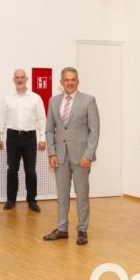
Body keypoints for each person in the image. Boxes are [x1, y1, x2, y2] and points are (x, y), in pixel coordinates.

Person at [43, 67, 99, 245]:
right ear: (61, 82)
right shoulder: (53, 101)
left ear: (78, 81)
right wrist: (51, 153)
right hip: (60, 156)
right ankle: (62, 228)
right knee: (62, 195)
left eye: (73, 79)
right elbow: (50, 130)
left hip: (81, 157)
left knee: (82, 195)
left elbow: (94, 131)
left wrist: (88, 154)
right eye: (66, 80)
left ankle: (82, 230)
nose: (70, 82)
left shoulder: (89, 100)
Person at [0, 68, 46, 213]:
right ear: (14, 80)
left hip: (30, 137)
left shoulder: (35, 98)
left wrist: (42, 138)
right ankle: (11, 200)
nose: (19, 80)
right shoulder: (7, 98)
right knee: (12, 170)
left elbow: (42, 119)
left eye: (22, 77)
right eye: (17, 77)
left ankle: (32, 200)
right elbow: (2, 119)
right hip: (12, 137)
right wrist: (1, 137)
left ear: (26, 79)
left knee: (30, 171)